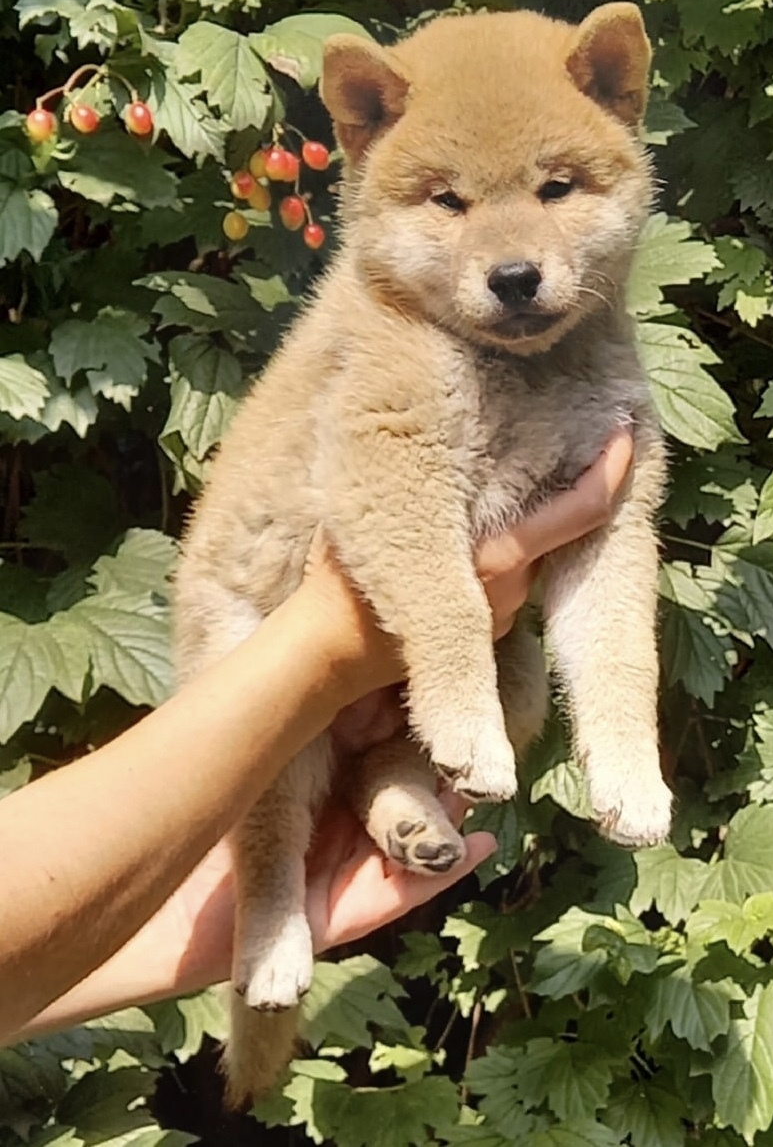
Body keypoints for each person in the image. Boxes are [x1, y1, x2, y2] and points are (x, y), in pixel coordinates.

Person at [0, 431, 634, 1046]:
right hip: (277, 603)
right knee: (271, 755)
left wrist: (184, 928)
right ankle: (275, 884)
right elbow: (384, 484)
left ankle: (391, 785)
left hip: (423, 673)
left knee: (519, 686)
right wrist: (331, 648)